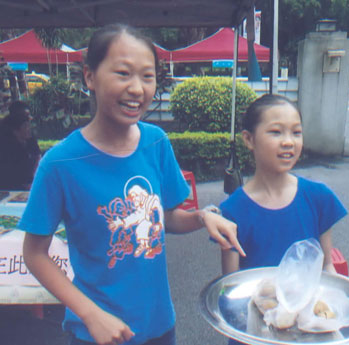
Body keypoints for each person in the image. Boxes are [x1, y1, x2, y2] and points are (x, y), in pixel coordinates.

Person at [19, 24, 244, 345]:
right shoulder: (59, 163)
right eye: (123, 73)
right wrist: (89, 313)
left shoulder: (156, 142)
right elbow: (35, 254)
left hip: (159, 325)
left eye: (147, 76)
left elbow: (161, 219)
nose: (137, 89)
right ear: (89, 77)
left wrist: (202, 216)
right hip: (96, 332)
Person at [218, 94, 347, 345]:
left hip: (308, 329)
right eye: (276, 132)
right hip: (256, 330)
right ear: (249, 139)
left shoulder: (318, 197)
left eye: (296, 133)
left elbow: (326, 266)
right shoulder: (232, 211)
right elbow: (231, 286)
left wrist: (334, 306)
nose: (289, 142)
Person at [0, 100, 41, 190]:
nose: (30, 118)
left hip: (28, 182)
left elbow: (37, 156)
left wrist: (33, 179)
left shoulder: (30, 137)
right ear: (16, 131)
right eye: (26, 125)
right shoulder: (5, 142)